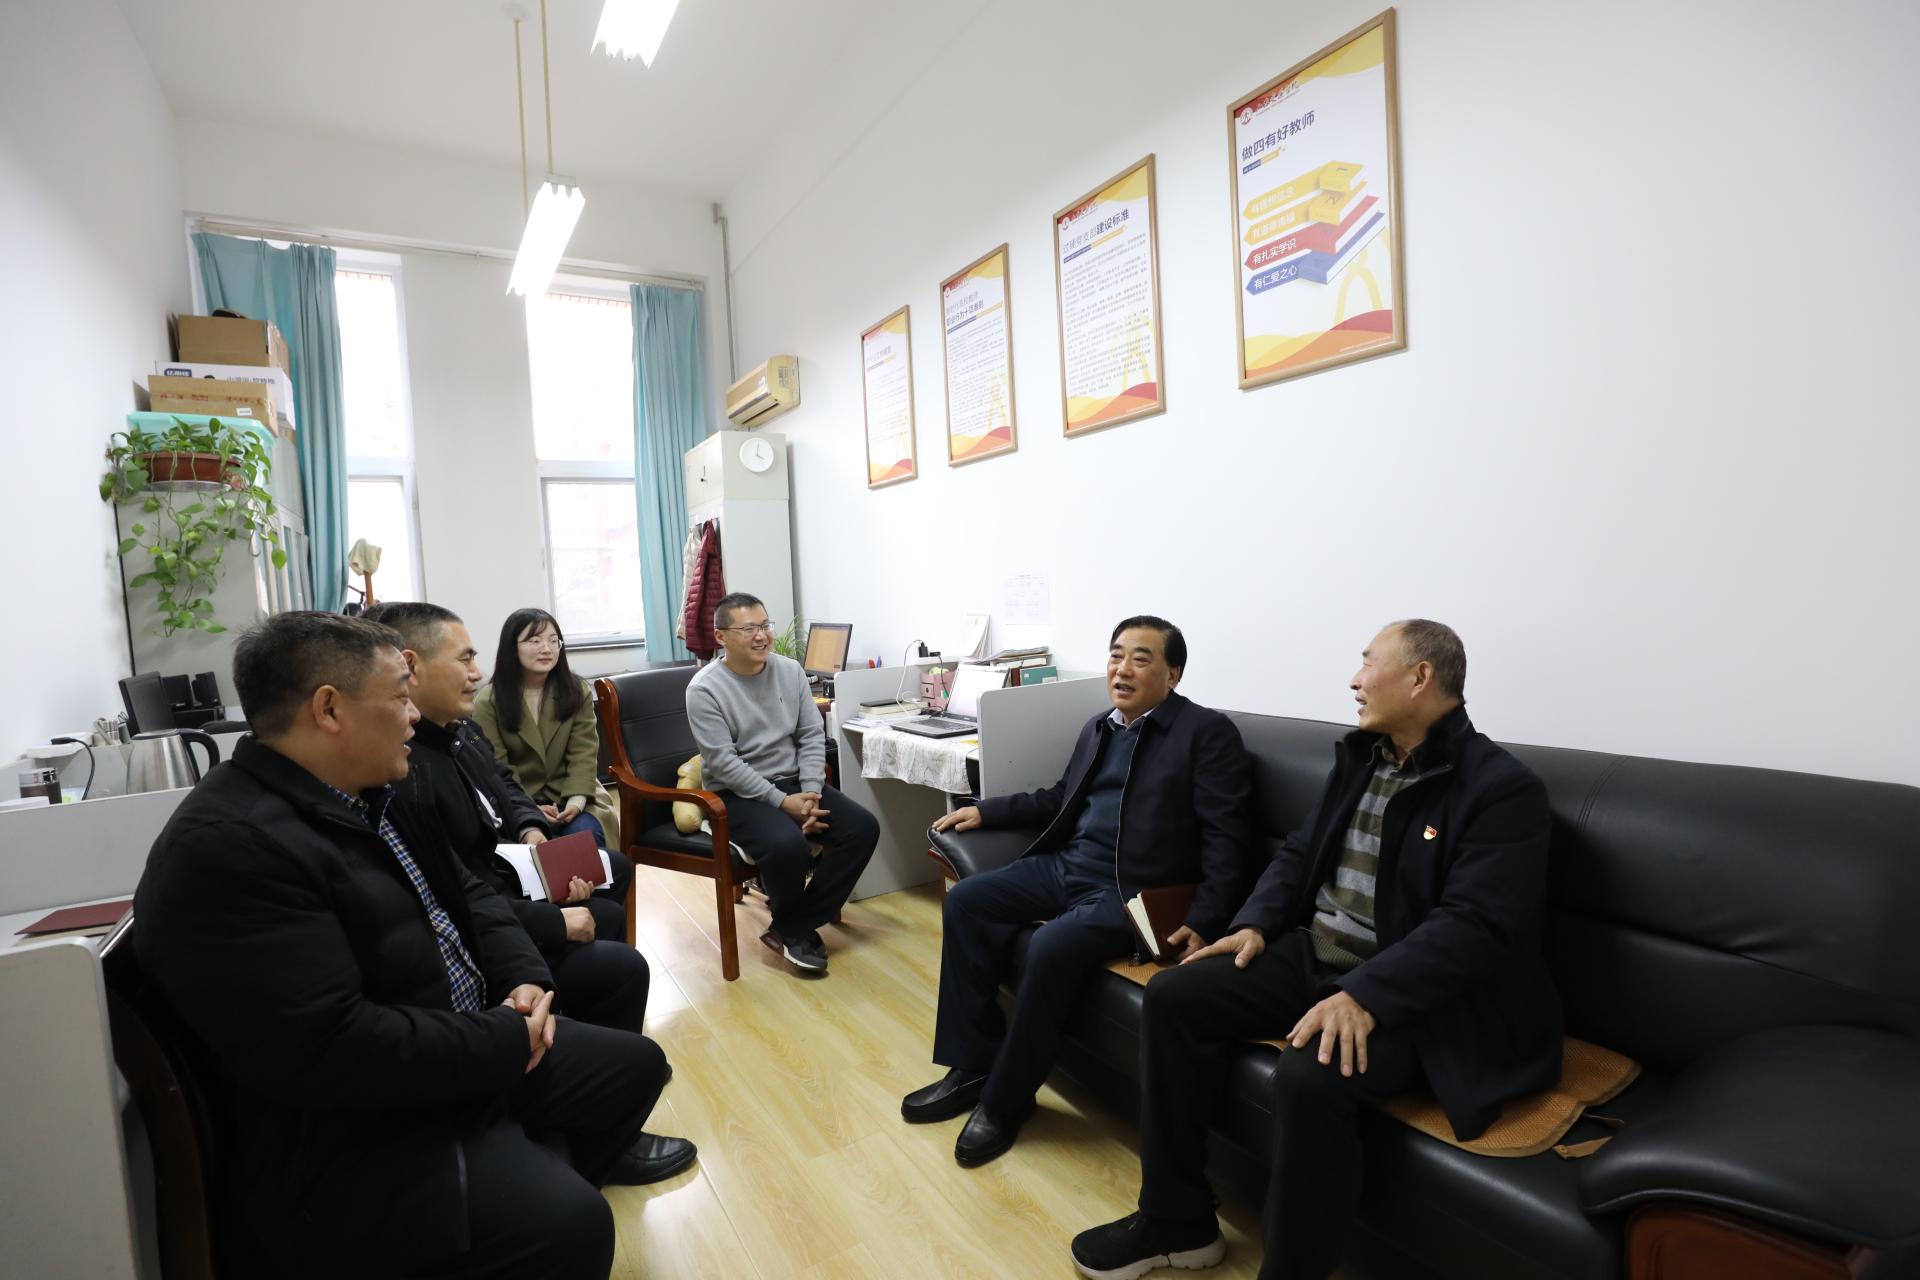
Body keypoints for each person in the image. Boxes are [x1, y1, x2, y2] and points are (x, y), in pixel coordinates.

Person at [133, 612, 676, 1280]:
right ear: (329, 709)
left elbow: (470, 896)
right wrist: (503, 1040)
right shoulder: (232, 848)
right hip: (360, 1121)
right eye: (398, 697)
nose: (413, 715)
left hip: (457, 1040)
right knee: (574, 1223)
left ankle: (524, 1162)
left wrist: (523, 978)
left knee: (637, 1068)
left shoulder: (374, 790)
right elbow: (334, 1048)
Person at [1070, 620, 1563, 1280]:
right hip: (1320, 952)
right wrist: (1254, 924)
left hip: (1422, 993)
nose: (1355, 681)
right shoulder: (1363, 758)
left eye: (1368, 664)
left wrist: (1365, 994)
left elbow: (1475, 925)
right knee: (1175, 996)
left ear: (1420, 677)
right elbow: (1300, 852)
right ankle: (1176, 1220)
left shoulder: (1501, 789)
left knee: (1311, 1073)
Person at [905, 616, 1254, 1168]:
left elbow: (1227, 837)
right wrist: (988, 811)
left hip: (1133, 892)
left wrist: (1207, 917)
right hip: (1069, 866)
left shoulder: (1206, 734)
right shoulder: (1099, 727)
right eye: (1116, 656)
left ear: (1173, 674)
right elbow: (1058, 798)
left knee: (1050, 946)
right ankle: (973, 1065)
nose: (1122, 669)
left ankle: (1006, 1101)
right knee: (969, 901)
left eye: (1141, 658)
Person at [365, 602, 692, 1183]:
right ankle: (600, 1085)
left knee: (611, 872)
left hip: (518, 859)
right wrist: (549, 920)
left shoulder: (460, 732)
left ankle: (601, 1066)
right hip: (501, 900)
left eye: (553, 639)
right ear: (412, 667)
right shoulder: (410, 769)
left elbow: (507, 788)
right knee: (615, 951)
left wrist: (534, 830)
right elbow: (458, 894)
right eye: (465, 659)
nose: (475, 672)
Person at [684, 591, 879, 974]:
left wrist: (811, 792)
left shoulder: (790, 671)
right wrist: (781, 802)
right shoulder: (704, 689)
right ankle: (796, 929)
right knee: (787, 845)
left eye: (765, 625)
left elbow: (811, 736)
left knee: (862, 828)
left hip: (795, 784)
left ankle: (791, 926)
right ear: (721, 636)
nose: (761, 636)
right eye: (748, 629)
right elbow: (723, 763)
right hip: (736, 795)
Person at [472, 607, 621, 852]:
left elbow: (583, 753)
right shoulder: (488, 701)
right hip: (518, 801)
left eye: (553, 641)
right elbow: (497, 767)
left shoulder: (576, 691)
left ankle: (597, 880)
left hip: (574, 794)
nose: (547, 648)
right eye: (535, 641)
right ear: (512, 647)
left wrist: (575, 802)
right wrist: (529, 809)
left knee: (585, 837)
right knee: (534, 848)